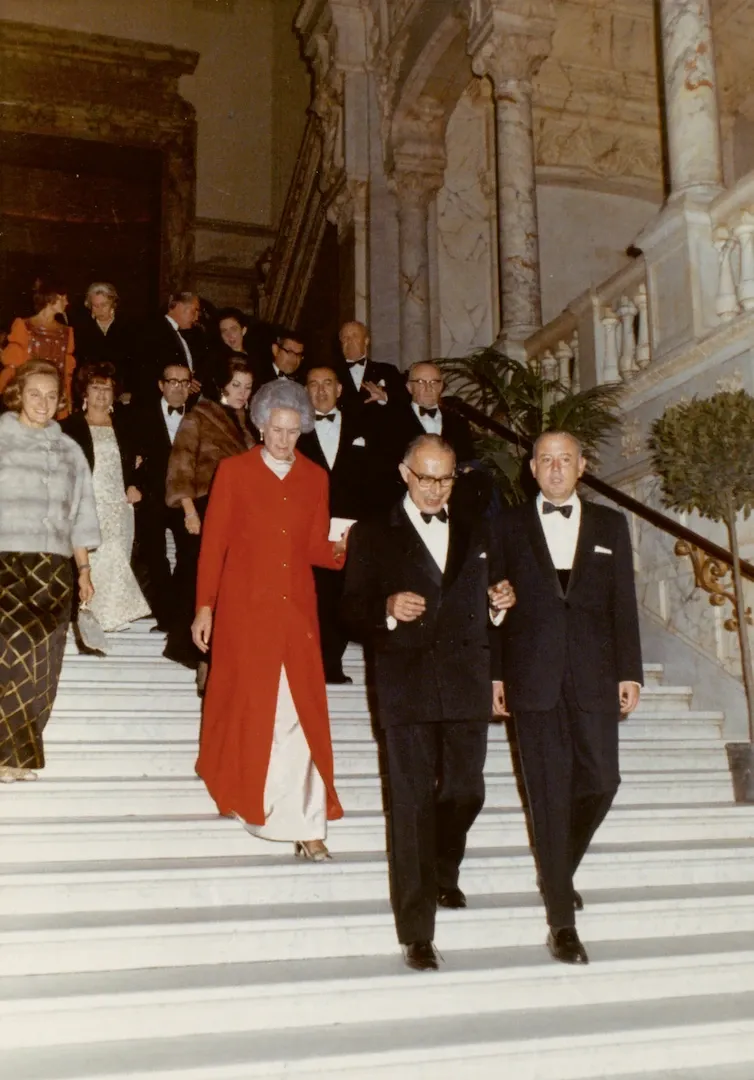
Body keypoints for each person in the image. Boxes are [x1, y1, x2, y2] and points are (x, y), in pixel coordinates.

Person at [342, 434, 515, 971]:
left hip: (465, 680)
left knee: (465, 790)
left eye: (446, 478)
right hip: (407, 683)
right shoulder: (372, 534)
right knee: (412, 806)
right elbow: (349, 609)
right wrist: (388, 608)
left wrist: (502, 604)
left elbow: (496, 596)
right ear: (404, 473)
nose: (437, 489)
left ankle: (443, 867)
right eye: (426, 478)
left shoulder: (476, 528)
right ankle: (416, 930)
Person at [489, 430, 643, 966]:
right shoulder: (506, 524)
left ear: (582, 466)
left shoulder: (610, 525)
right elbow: (491, 597)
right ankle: (562, 921)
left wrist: (631, 671)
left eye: (566, 460)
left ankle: (557, 870)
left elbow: (623, 601)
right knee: (549, 796)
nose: (556, 469)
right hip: (532, 677)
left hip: (596, 675)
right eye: (546, 460)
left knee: (603, 780)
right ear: (532, 468)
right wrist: (494, 666)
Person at [192, 380, 346, 861]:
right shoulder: (233, 472)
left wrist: (344, 548)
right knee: (251, 708)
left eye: (292, 431)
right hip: (243, 610)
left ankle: (304, 821)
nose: (283, 439)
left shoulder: (316, 478)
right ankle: (249, 796)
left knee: (298, 711)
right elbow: (213, 543)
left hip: (296, 610)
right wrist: (205, 606)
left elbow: (315, 548)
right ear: (259, 425)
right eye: (275, 429)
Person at [0, 360, 100, 782]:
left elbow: (81, 516)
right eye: (33, 394)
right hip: (7, 560)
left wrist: (84, 570)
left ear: (61, 401)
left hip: (55, 568)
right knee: (15, 652)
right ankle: (5, 755)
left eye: (50, 395)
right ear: (18, 395)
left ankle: (21, 752)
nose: (42, 402)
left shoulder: (70, 451)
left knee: (46, 661)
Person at [165, 354, 256, 686]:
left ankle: (216, 656)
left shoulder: (249, 423)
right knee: (201, 581)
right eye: (236, 386)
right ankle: (201, 658)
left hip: (240, 513)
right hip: (204, 508)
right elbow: (180, 465)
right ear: (222, 385)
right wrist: (189, 511)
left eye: (247, 387)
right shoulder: (200, 415)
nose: (242, 393)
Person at [62, 362, 149, 634]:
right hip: (89, 501)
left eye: (107, 388)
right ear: (84, 392)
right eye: (95, 387)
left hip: (118, 503)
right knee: (97, 556)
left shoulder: (126, 424)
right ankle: (100, 617)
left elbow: (146, 460)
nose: (101, 394)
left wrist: (137, 484)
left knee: (117, 554)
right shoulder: (69, 426)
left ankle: (109, 616)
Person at [297, 365, 370, 684]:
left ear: (340, 390)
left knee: (343, 596)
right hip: (308, 529)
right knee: (313, 596)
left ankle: (332, 662)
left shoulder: (363, 424)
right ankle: (311, 661)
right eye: (314, 384)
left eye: (328, 384)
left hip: (350, 529)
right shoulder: (294, 431)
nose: (321, 390)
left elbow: (376, 480)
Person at [130, 362, 193, 643]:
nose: (178, 387)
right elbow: (130, 451)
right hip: (153, 497)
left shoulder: (200, 415)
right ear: (161, 385)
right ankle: (165, 616)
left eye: (184, 382)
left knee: (189, 556)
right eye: (172, 381)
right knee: (154, 558)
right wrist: (133, 484)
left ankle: (180, 614)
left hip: (186, 501)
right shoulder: (140, 415)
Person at [0, 281, 76, 418]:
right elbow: (12, 367)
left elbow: (66, 373)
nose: (67, 302)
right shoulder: (24, 326)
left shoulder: (67, 332)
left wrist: (67, 399)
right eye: (63, 298)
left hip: (51, 399)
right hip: (26, 397)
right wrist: (7, 394)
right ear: (50, 298)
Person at [395, 362, 475, 464]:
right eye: (420, 382)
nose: (428, 388)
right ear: (409, 387)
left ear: (441, 386)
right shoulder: (393, 420)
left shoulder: (459, 422)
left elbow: (467, 460)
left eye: (434, 382)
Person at [135, 292, 207, 403]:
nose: (196, 317)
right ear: (179, 306)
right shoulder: (154, 330)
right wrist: (182, 380)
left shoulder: (180, 333)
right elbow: (148, 367)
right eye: (194, 311)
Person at [71, 283, 135, 401]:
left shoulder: (128, 327)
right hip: (92, 392)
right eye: (95, 306)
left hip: (122, 393)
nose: (100, 310)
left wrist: (130, 391)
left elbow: (134, 363)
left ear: (113, 303)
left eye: (104, 305)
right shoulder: (83, 330)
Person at [335, 320, 406, 416]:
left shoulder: (388, 371)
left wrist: (384, 397)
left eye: (355, 336)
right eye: (345, 337)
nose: (349, 341)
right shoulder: (332, 374)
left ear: (366, 341)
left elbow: (404, 403)